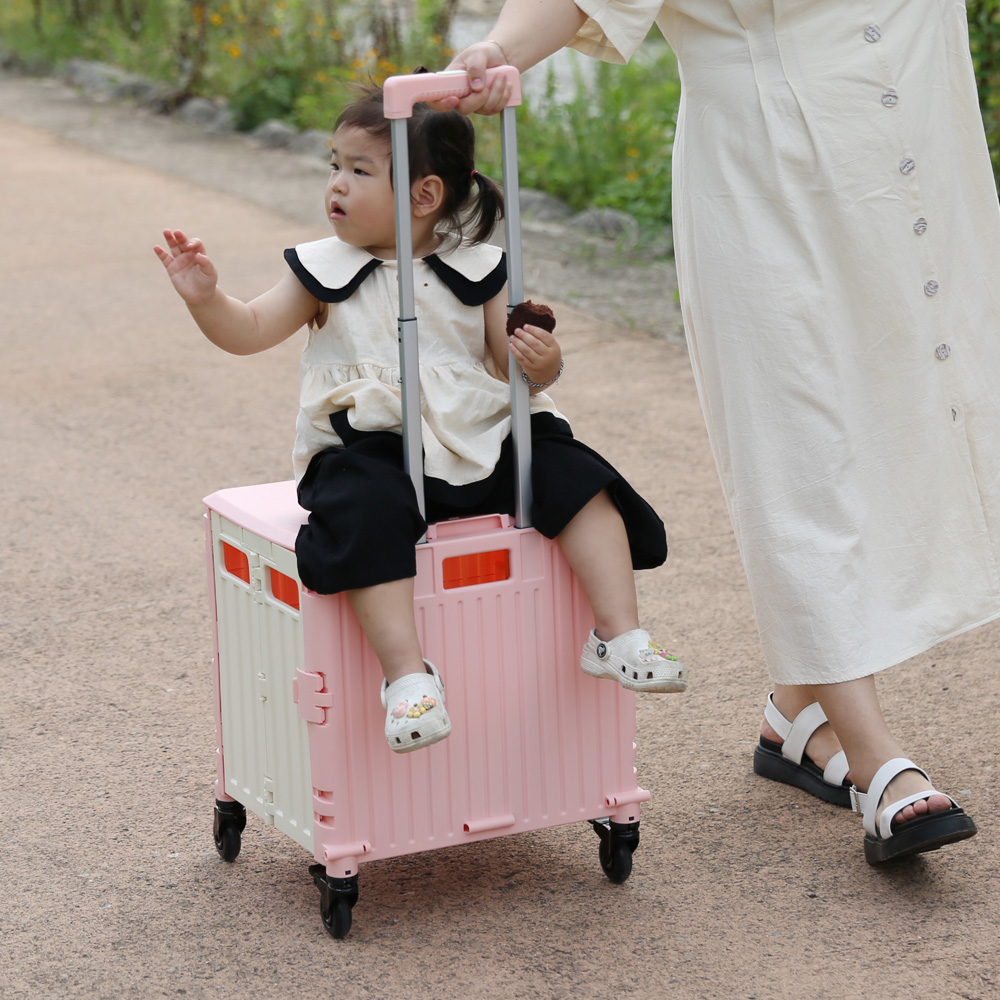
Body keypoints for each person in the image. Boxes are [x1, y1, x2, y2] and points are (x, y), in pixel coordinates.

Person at [438, 0, 997, 863]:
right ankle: (876, 762)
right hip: (768, 177)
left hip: (921, 156)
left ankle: (798, 713)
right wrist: (499, 49)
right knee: (802, 442)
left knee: (935, 407)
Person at [154, 85, 686, 755]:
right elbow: (250, 329)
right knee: (361, 508)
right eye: (334, 165)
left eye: (358, 170)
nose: (336, 185)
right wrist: (207, 299)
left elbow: (517, 368)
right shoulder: (323, 270)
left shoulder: (482, 271)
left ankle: (618, 633)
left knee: (578, 472)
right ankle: (408, 677)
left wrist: (541, 361)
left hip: (479, 438)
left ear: (425, 196)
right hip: (373, 449)